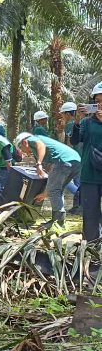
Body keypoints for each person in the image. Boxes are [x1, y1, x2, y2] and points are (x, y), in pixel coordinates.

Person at [15, 132, 80, 231]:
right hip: (75, 161)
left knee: (54, 190)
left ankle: (57, 221)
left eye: (21, 148)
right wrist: (45, 192)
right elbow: (51, 175)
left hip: (63, 160)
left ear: (24, 142)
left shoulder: (32, 139)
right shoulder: (41, 151)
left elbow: (40, 145)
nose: (23, 151)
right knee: (58, 190)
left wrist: (39, 164)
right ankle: (60, 221)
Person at [71, 82, 102, 242]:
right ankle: (92, 247)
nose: (100, 104)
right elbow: (75, 140)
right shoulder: (86, 122)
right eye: (98, 101)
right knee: (90, 214)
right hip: (90, 175)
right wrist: (77, 120)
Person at [61, 102, 82, 214]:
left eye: (63, 114)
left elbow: (70, 144)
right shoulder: (81, 123)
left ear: (68, 114)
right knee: (79, 182)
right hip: (81, 158)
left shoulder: (70, 125)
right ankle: (78, 207)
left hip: (73, 158)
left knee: (65, 181)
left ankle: (79, 202)